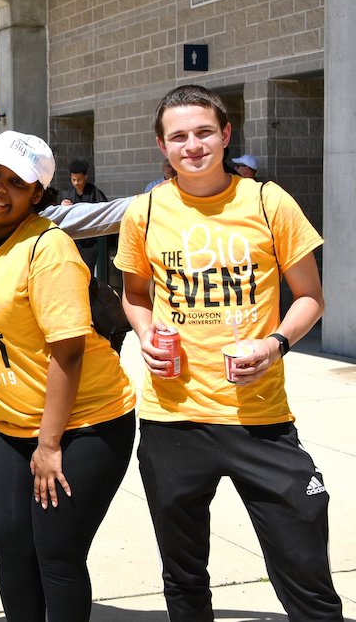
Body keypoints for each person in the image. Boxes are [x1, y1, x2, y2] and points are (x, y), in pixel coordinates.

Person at [115, 84, 342, 621]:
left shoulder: (268, 201)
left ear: (225, 135)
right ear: (161, 146)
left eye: (203, 132)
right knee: (184, 575)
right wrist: (147, 336)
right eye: (178, 136)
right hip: (173, 419)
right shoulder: (144, 212)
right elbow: (135, 295)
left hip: (258, 415)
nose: (192, 145)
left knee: (305, 565)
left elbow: (310, 297)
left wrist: (275, 343)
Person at [0, 130, 136, 621]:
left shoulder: (47, 248)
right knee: (11, 551)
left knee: (56, 554)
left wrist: (49, 445)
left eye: (17, 182)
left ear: (38, 194)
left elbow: (69, 354)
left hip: (83, 427)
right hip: (10, 428)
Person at [58, 159, 108, 273]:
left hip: (89, 243)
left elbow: (104, 210)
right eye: (73, 180)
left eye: (79, 180)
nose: (76, 183)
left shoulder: (95, 193)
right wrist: (61, 207)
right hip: (72, 242)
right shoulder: (66, 194)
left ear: (85, 177)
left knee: (87, 272)